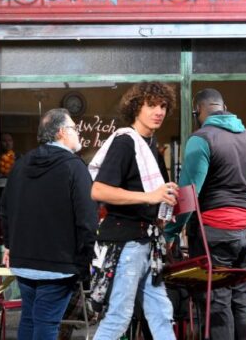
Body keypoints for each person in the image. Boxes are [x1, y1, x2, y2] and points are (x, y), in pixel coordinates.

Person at [164, 88, 246, 340]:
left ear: (198, 112)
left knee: (217, 301)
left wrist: (171, 232)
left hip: (215, 231)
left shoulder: (201, 139)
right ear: (224, 106)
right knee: (241, 300)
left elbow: (189, 194)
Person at [88, 81, 178, 340]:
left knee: (161, 312)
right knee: (119, 317)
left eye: (162, 106)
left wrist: (164, 203)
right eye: (151, 105)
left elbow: (155, 195)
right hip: (126, 242)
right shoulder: (126, 143)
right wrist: (150, 196)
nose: (158, 111)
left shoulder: (151, 146)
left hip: (148, 242)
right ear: (136, 107)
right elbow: (98, 191)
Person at [0, 109, 97, 340]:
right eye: (74, 128)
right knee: (47, 324)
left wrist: (10, 246)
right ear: (62, 132)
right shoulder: (75, 167)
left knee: (30, 320)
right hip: (59, 265)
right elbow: (87, 219)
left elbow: (5, 210)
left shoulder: (20, 166)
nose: (78, 132)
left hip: (23, 262)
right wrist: (84, 262)